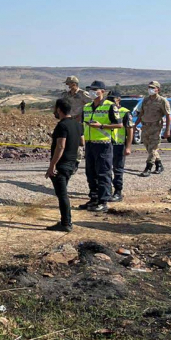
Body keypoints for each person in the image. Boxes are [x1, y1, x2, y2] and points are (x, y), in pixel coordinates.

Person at [80, 80, 119, 213]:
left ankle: (103, 201)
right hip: (90, 143)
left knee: (103, 172)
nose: (92, 92)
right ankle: (94, 198)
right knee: (90, 172)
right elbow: (82, 124)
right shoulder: (87, 107)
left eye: (95, 89)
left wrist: (101, 126)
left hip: (104, 144)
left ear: (103, 91)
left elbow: (119, 125)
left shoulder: (110, 106)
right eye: (91, 89)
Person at [45, 97, 81, 232]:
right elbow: (82, 142)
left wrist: (52, 165)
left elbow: (60, 146)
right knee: (62, 193)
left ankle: (66, 223)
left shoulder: (62, 125)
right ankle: (65, 221)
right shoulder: (77, 125)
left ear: (59, 110)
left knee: (62, 195)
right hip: (72, 163)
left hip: (62, 164)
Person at [135, 81, 171, 177]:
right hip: (145, 126)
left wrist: (167, 130)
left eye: (152, 87)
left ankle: (148, 168)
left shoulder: (162, 101)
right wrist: (134, 125)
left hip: (156, 127)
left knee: (153, 148)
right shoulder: (145, 100)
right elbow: (141, 113)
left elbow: (168, 115)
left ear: (157, 89)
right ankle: (159, 164)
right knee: (148, 147)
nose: (150, 89)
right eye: (149, 87)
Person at [108, 92, 133, 202]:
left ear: (118, 100)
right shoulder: (106, 111)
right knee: (105, 169)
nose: (110, 101)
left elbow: (130, 130)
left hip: (119, 144)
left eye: (112, 99)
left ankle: (118, 191)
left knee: (117, 169)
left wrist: (128, 147)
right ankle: (106, 190)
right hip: (107, 144)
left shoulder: (125, 112)